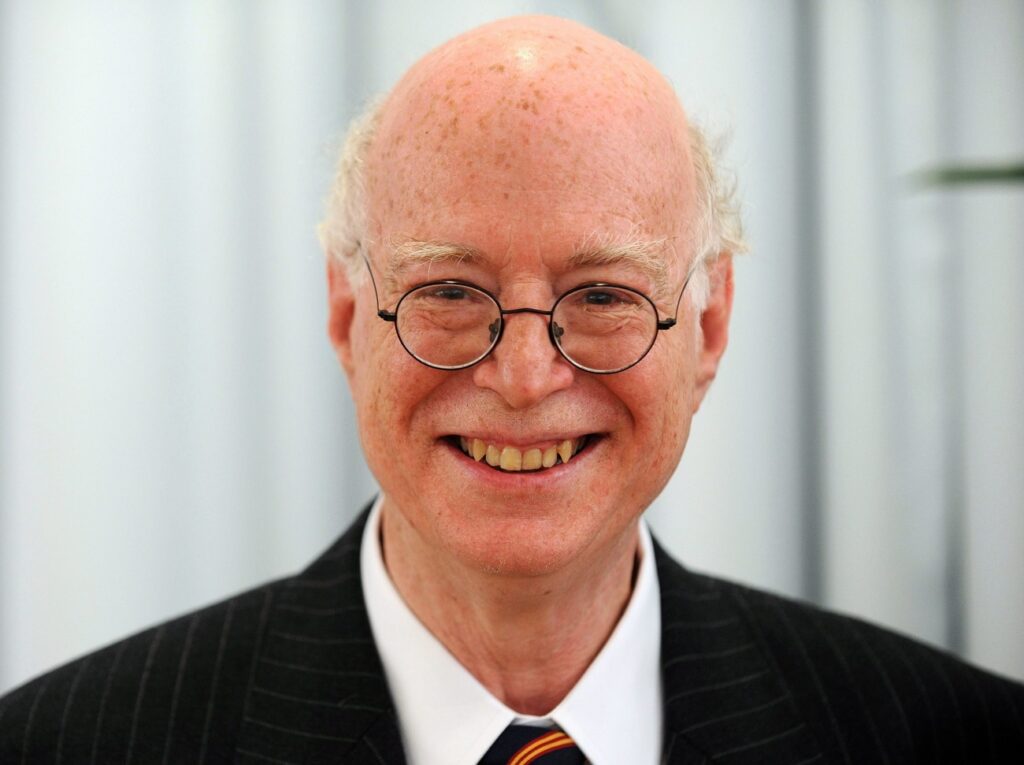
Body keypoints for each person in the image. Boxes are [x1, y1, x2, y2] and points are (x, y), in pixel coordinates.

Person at [2, 15, 1022, 765]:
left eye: (604, 295)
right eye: (448, 291)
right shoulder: (64, 744)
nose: (527, 377)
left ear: (708, 327)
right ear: (347, 315)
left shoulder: (957, 738)